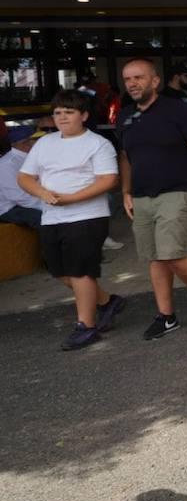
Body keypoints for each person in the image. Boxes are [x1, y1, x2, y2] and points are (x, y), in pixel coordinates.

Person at [117, 58, 187, 339]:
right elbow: (126, 157)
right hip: (141, 196)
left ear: (154, 81)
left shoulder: (178, 110)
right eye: (128, 79)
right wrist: (125, 191)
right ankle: (166, 317)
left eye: (138, 78)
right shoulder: (125, 115)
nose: (132, 83)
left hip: (177, 191)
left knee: (172, 253)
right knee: (155, 258)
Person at [17, 91, 126, 350]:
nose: (62, 117)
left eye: (69, 112)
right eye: (57, 113)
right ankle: (107, 302)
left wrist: (74, 198)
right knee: (61, 273)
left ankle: (86, 327)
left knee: (80, 271)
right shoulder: (45, 143)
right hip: (52, 216)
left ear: (84, 116)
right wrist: (43, 192)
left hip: (87, 216)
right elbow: (25, 177)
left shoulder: (98, 144)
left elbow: (109, 180)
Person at [1, 126, 47, 228]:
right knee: (44, 219)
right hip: (10, 207)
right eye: (35, 140)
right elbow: (18, 196)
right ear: (25, 144)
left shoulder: (34, 157)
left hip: (34, 200)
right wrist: (46, 205)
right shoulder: (6, 164)